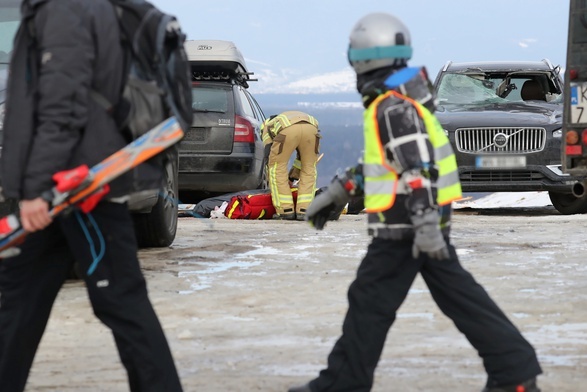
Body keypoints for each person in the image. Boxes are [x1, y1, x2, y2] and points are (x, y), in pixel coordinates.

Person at [288, 12, 542, 392]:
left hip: (406, 224)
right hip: (417, 222)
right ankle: (514, 371)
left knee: (370, 301)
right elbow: (389, 161)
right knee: (457, 298)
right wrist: (340, 192)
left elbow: (417, 166)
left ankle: (343, 383)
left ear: (365, 58)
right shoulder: (402, 100)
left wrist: (424, 224)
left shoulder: (391, 106)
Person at [0, 0, 183, 391]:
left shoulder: (66, 8)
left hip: (80, 188)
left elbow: (63, 105)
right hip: (67, 184)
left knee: (118, 298)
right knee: (19, 299)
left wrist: (35, 189)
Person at [261, 111, 321, 221]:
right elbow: (300, 160)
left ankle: (285, 210)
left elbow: (269, 158)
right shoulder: (286, 117)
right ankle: (304, 210)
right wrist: (292, 177)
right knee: (309, 168)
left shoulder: (266, 127)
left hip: (287, 131)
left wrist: (269, 178)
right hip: (312, 129)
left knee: (277, 168)